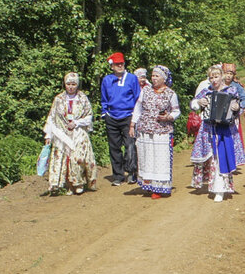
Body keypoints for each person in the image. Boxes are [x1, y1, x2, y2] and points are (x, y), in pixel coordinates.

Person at [190, 65, 243, 202]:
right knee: (212, 158)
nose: (214, 80)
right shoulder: (206, 92)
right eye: (211, 77)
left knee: (222, 157)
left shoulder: (231, 90)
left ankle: (221, 188)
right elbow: (193, 105)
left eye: (216, 76)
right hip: (209, 129)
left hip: (225, 129)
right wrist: (198, 102)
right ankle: (215, 186)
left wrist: (236, 108)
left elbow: (238, 107)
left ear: (222, 77)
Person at [128, 65, 180, 199]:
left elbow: (176, 111)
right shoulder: (146, 90)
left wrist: (168, 117)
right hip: (145, 130)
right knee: (147, 158)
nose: (154, 78)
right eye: (153, 76)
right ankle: (149, 185)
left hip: (162, 132)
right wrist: (133, 125)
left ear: (164, 78)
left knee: (160, 159)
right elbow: (138, 108)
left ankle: (160, 188)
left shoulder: (170, 93)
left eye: (157, 76)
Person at [43, 72, 98, 195]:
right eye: (68, 84)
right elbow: (52, 117)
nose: (71, 87)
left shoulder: (83, 98)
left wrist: (77, 123)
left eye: (73, 84)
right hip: (62, 134)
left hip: (78, 133)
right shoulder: (58, 99)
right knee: (62, 158)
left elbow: (89, 116)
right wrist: (48, 135)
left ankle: (77, 183)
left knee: (78, 157)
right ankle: (62, 185)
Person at [99, 52, 140, 185]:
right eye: (117, 64)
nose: (120, 65)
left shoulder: (132, 78)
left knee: (130, 145)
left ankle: (132, 172)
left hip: (128, 116)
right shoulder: (107, 80)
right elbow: (104, 98)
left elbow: (137, 98)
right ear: (112, 66)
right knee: (114, 147)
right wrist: (105, 113)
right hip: (112, 117)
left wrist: (136, 116)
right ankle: (118, 175)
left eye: (122, 63)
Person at [221, 63, 245, 167]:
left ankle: (232, 161)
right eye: (226, 73)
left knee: (233, 138)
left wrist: (239, 107)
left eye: (230, 74)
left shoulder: (236, 86)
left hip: (232, 118)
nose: (228, 76)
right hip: (219, 117)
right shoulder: (217, 85)